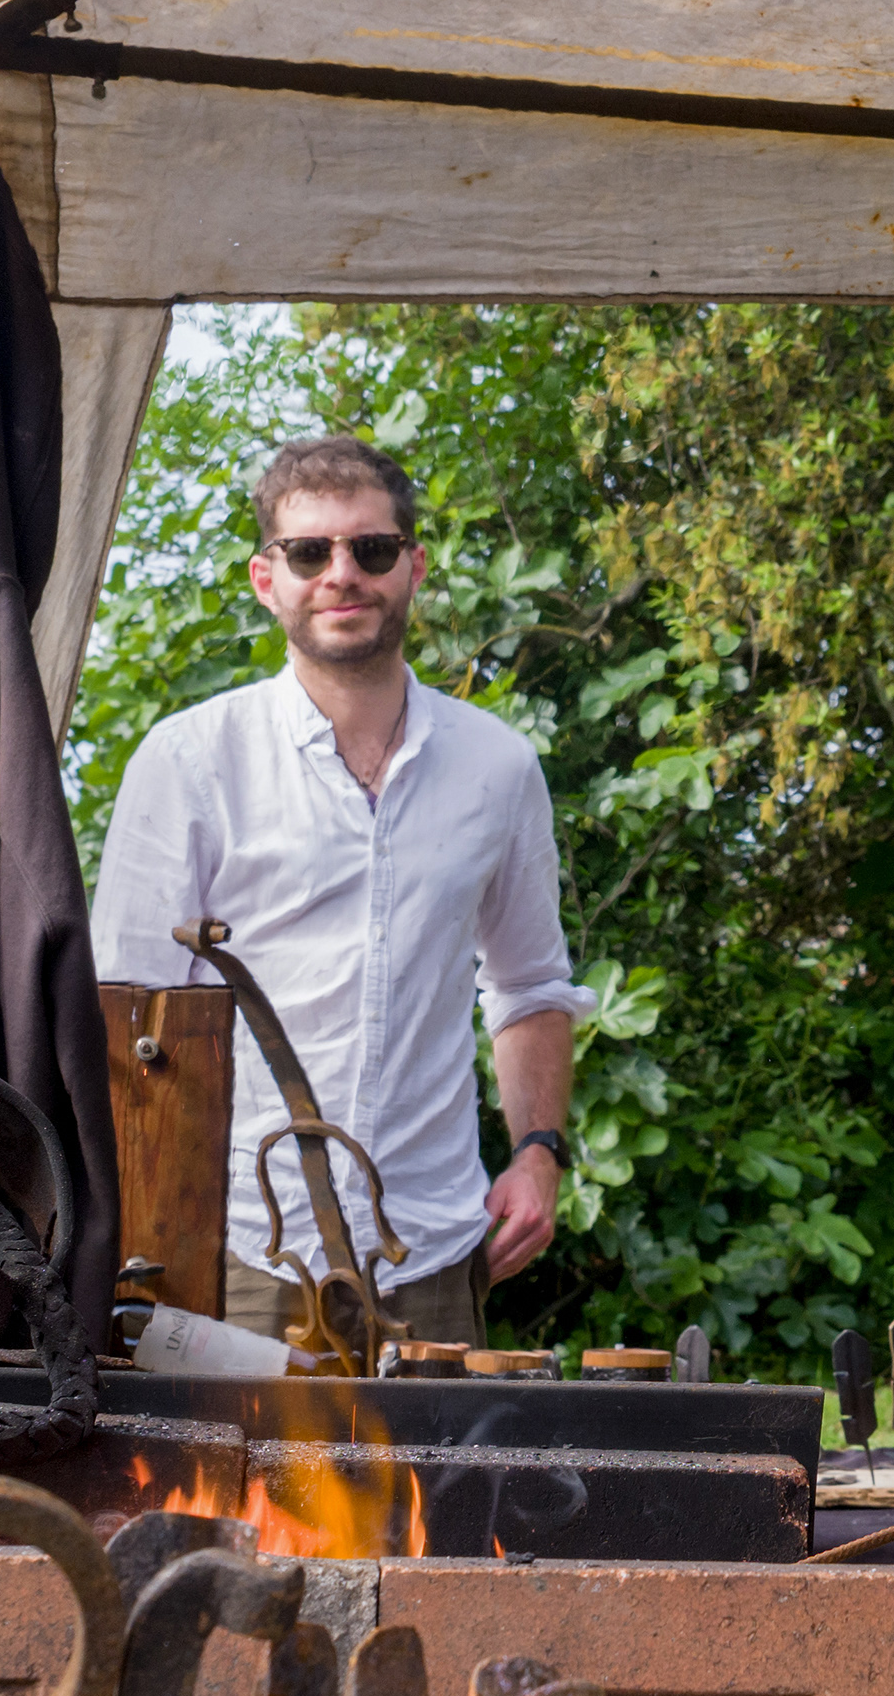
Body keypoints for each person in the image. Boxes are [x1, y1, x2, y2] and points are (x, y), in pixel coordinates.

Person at [88, 434, 592, 1349]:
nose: (342, 573)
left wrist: (537, 1152)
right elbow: (130, 1021)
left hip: (433, 1253)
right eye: (310, 551)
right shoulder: (192, 760)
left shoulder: (498, 766)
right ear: (266, 578)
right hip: (240, 1253)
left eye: (372, 548)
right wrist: (145, 1236)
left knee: (444, 1455)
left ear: (414, 567)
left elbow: (528, 987)